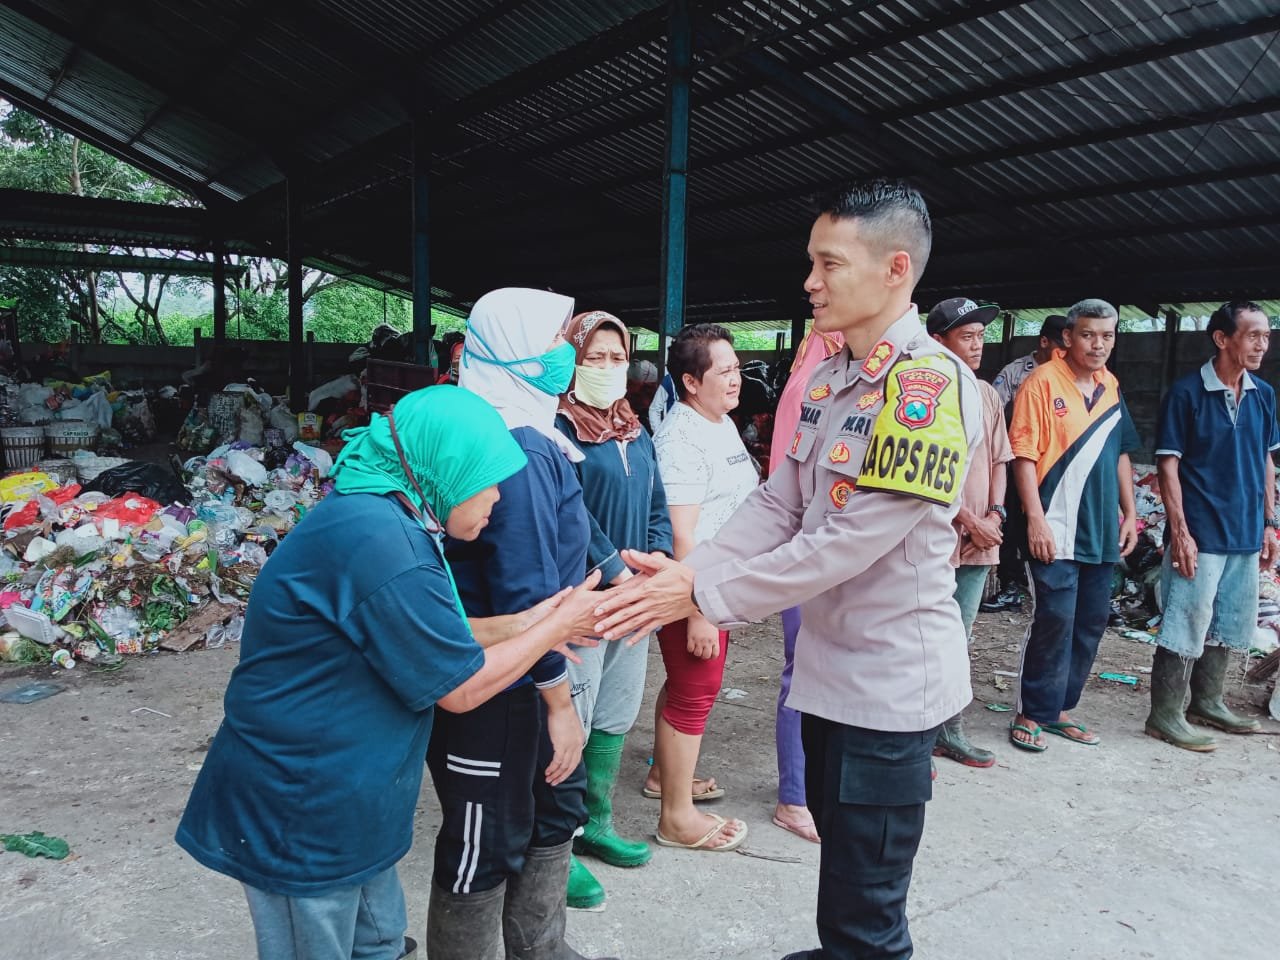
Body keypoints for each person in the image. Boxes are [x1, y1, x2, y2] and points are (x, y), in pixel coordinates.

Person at [593, 179, 981, 959]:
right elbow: (779, 503)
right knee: (842, 863)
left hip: (890, 686)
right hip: (832, 678)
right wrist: (690, 571)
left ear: (894, 269)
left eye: (828, 264)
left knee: (869, 898)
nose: (810, 281)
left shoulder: (928, 388)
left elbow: (848, 539)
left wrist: (699, 590)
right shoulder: (835, 377)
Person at [174, 385, 603, 960]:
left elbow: (426, 627)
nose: (499, 498)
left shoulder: (390, 518)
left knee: (377, 944)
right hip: (304, 805)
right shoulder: (381, 539)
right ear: (446, 469)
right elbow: (460, 687)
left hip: (355, 802)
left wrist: (531, 619)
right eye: (489, 478)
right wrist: (551, 630)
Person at [427, 289, 615, 958]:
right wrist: (559, 703)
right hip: (502, 686)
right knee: (486, 840)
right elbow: (525, 589)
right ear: (516, 350)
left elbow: (568, 541)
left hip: (531, 668)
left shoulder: (534, 433)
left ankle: (542, 949)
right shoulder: (513, 448)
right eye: (557, 340)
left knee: (556, 811)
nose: (567, 354)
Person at [553, 310, 673, 894]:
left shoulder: (633, 428)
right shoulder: (558, 430)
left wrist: (660, 561)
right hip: (582, 595)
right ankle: (557, 844)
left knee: (614, 710)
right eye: (593, 357)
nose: (607, 368)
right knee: (571, 715)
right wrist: (614, 570)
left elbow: (657, 502)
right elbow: (569, 512)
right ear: (571, 361)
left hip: (636, 594)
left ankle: (596, 821)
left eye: (616, 358)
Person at [640, 322, 757, 853]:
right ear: (691, 381)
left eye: (736, 368)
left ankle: (665, 777)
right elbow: (683, 536)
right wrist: (699, 609)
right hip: (694, 588)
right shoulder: (682, 439)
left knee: (688, 685)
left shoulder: (720, 423)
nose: (736, 379)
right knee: (697, 690)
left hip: (718, 583)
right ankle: (675, 819)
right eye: (725, 371)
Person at [1007, 298, 1140, 752]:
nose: (1098, 344)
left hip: (1101, 530)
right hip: (1056, 529)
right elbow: (1023, 457)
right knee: (1054, 620)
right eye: (1088, 334)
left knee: (1090, 623)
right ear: (1068, 337)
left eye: (1107, 335)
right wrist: (1035, 521)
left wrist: (1132, 514)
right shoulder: (1041, 384)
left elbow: (1121, 453)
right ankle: (1030, 710)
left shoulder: (1111, 386)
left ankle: (1059, 708)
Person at [1145, 300, 1278, 750]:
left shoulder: (1263, 394)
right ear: (1222, 339)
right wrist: (1179, 532)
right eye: (1253, 334)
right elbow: (1167, 467)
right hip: (1200, 533)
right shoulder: (1186, 393)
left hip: (1243, 530)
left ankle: (1207, 701)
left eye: (1266, 334)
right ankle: (1164, 714)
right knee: (1187, 619)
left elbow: (1266, 461)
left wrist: (1269, 523)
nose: (1263, 343)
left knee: (1231, 620)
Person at [766, 323, 844, 842]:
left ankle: (813, 784)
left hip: (827, 543)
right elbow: (789, 481)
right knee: (807, 668)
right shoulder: (817, 381)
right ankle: (795, 796)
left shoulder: (836, 370)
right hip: (809, 543)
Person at [927, 297, 1012, 768]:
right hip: (941, 536)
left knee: (961, 635)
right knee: (925, 635)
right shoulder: (926, 391)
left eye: (981, 336)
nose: (977, 345)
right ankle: (918, 735)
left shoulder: (985, 393)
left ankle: (950, 730)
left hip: (981, 540)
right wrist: (967, 518)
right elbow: (920, 473)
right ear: (939, 342)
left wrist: (995, 514)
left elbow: (1001, 458)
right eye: (967, 336)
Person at [984, 314, 1072, 612]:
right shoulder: (1016, 372)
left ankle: (1048, 586)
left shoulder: (1072, 375)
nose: (1065, 352)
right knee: (1012, 524)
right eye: (1060, 345)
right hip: (1016, 461)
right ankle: (1010, 586)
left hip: (1056, 465)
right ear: (1044, 342)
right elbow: (993, 415)